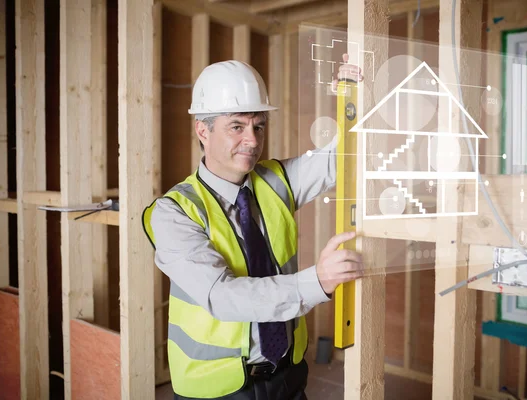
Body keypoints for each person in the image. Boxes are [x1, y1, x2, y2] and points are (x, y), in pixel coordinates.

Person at [142, 55, 364, 400]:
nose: (252, 139)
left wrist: (353, 100)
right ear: (203, 130)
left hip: (288, 375)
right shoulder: (174, 213)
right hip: (217, 389)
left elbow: (342, 157)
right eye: (237, 126)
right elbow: (222, 295)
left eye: (258, 126)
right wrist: (316, 281)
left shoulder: (277, 180)